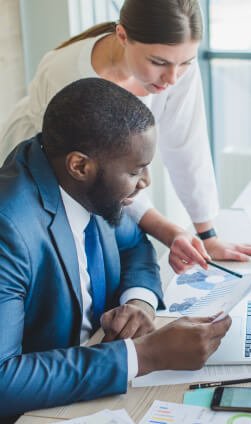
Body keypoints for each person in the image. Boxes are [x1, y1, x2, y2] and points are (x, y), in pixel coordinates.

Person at [0, 78, 232, 420]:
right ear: (80, 166)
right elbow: (4, 379)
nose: (146, 182)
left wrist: (138, 301)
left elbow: (134, 246)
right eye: (136, 171)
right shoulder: (10, 227)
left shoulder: (87, 182)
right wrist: (144, 355)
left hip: (94, 377)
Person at [0, 0, 251, 274]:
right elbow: (107, 178)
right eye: (158, 62)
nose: (172, 78)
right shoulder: (68, 77)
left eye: (185, 63)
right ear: (122, 36)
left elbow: (187, 146)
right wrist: (169, 232)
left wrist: (208, 236)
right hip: (49, 174)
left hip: (107, 176)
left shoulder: (174, 69)